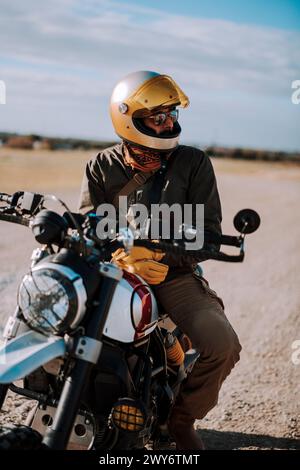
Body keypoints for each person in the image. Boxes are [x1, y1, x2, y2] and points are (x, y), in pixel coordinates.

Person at [78, 70, 242, 450]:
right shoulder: (101, 166)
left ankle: (180, 421)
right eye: (159, 117)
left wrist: (157, 253)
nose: (170, 123)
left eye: (172, 115)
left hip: (174, 275)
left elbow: (209, 235)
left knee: (222, 344)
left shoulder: (194, 163)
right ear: (129, 118)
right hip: (116, 273)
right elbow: (91, 228)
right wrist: (120, 256)